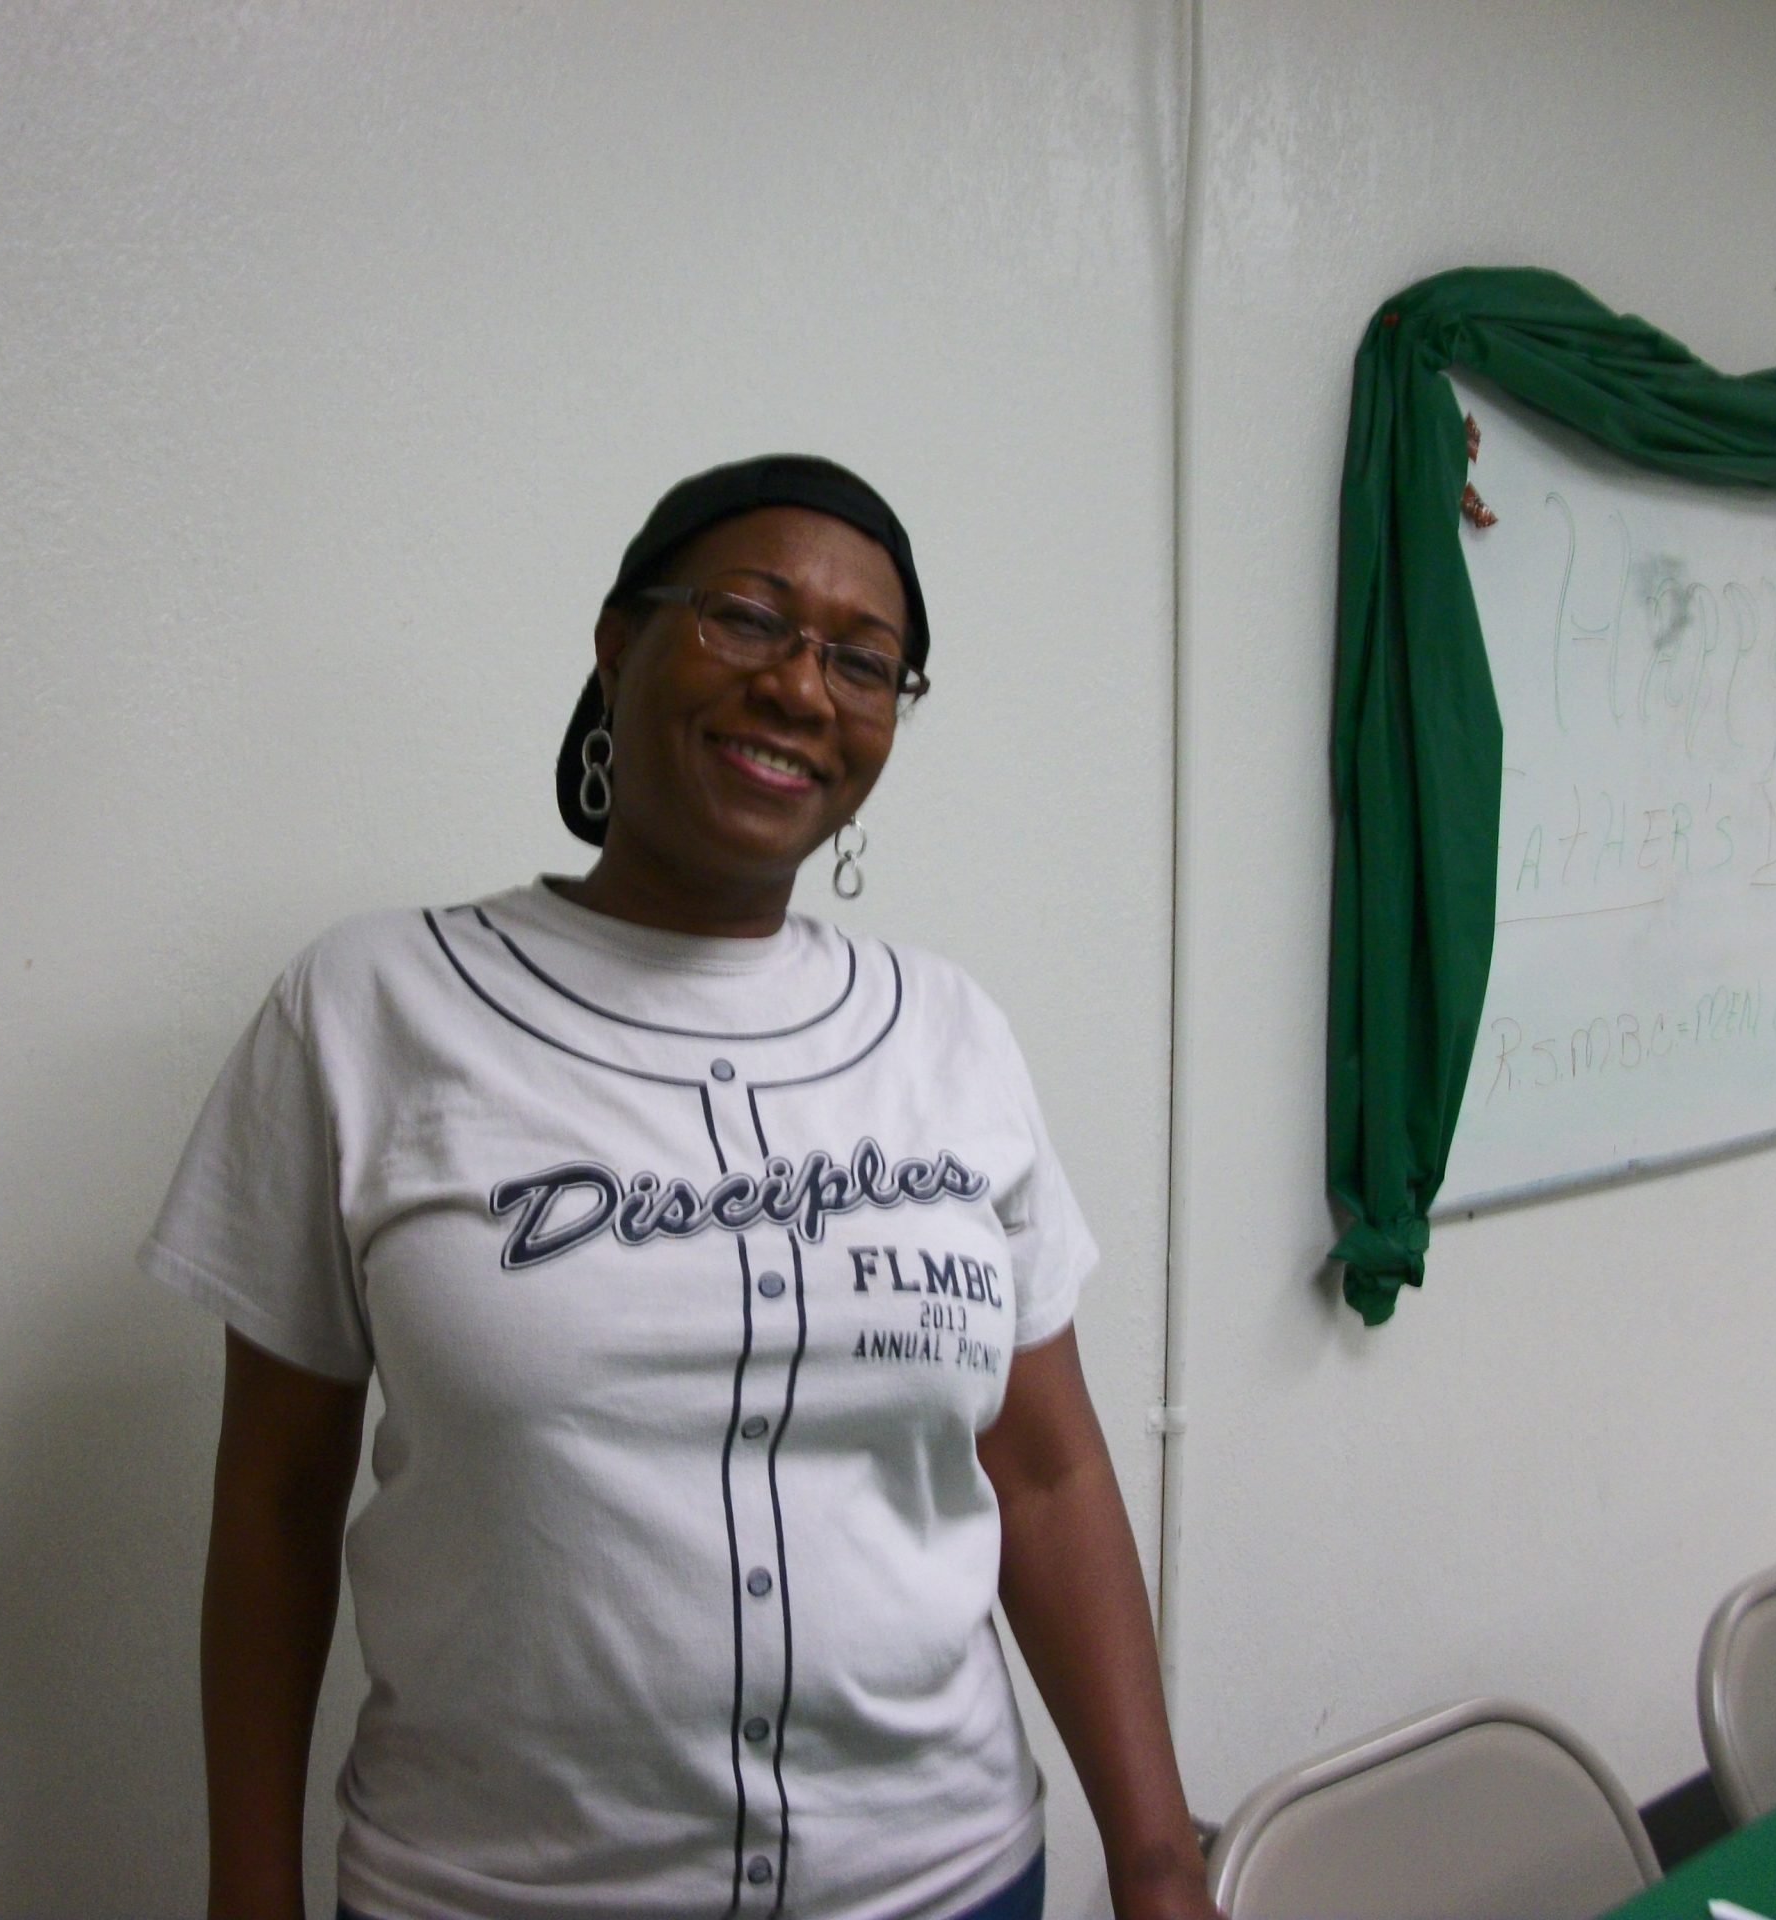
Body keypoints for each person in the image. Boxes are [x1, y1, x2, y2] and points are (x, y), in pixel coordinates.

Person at [143, 455, 1216, 1920]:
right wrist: (248, 1892)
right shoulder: (370, 1010)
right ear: (617, 642)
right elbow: (274, 1500)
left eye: (863, 662)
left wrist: (1157, 1863)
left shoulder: (949, 1036)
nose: (801, 687)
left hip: (950, 1881)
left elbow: (1047, 1473)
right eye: (749, 618)